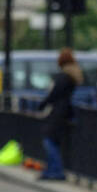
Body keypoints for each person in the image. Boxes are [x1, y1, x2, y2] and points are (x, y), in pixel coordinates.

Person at [37, 48, 84, 181]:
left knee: (48, 140)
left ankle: (55, 170)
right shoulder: (72, 76)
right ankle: (52, 170)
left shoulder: (63, 77)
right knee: (54, 141)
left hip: (57, 112)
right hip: (65, 111)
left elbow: (53, 94)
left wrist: (43, 104)